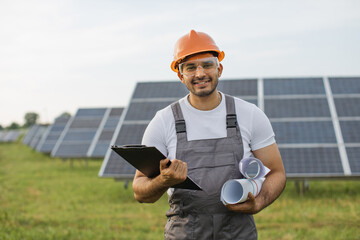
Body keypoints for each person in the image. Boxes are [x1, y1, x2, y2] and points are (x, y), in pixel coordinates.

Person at [132, 29, 286, 239]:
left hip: (238, 233)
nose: (200, 74)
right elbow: (140, 191)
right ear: (180, 75)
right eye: (191, 67)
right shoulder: (163, 121)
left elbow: (276, 173)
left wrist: (258, 202)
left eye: (207, 65)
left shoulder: (249, 115)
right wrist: (164, 180)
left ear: (219, 68)